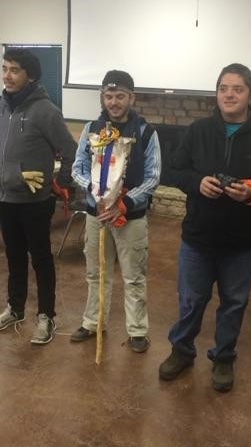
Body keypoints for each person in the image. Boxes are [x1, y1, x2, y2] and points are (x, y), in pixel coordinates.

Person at [158, 63, 251, 392]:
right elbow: (172, 171)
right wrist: (197, 182)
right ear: (216, 94)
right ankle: (181, 350)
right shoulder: (198, 131)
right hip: (198, 238)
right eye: (223, 88)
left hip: (243, 242)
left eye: (237, 89)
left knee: (233, 302)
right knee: (191, 300)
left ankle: (223, 357)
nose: (229, 95)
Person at [0, 48, 77, 345]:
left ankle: (46, 316)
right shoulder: (1, 107)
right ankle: (15, 309)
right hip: (6, 197)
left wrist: (59, 182)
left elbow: (71, 151)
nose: (7, 75)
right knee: (13, 257)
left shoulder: (46, 110)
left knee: (41, 259)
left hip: (35, 202)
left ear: (31, 75)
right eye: (5, 68)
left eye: (15, 70)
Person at [70, 70, 161, 353]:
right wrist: (95, 190)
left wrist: (124, 202)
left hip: (129, 217)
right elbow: (78, 168)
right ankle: (93, 322)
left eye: (120, 96)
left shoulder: (145, 132)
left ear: (131, 98)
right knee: (96, 273)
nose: (114, 102)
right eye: (109, 96)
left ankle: (137, 331)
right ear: (103, 98)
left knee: (133, 276)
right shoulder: (91, 129)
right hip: (96, 214)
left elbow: (153, 176)